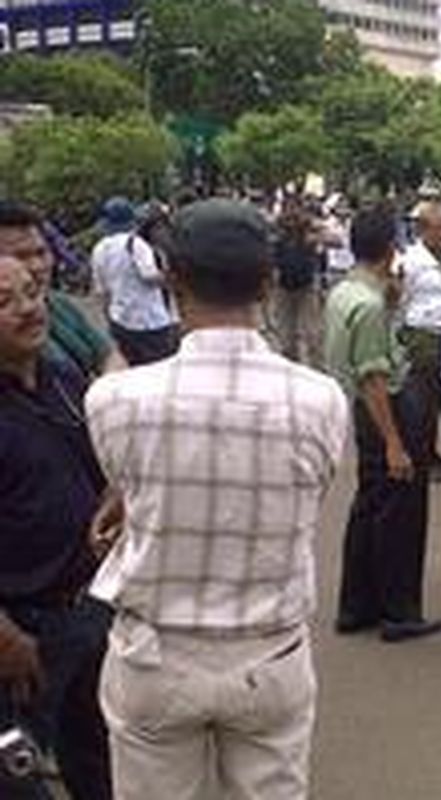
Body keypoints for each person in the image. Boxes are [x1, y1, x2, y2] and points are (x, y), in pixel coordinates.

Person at [85, 200, 348, 798]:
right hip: (270, 654)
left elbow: (130, 483)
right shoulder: (320, 398)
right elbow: (311, 491)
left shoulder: (114, 399)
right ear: (267, 279)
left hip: (154, 655)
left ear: (172, 279)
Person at [0, 256, 112, 800]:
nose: (28, 309)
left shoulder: (63, 377)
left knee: (96, 755)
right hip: (19, 633)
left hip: (87, 612)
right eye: (5, 302)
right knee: (19, 776)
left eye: (32, 292)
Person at [326, 205, 441, 642]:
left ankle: (357, 605)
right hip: (386, 407)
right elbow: (374, 377)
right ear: (391, 249)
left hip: (359, 408)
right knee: (400, 512)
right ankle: (399, 611)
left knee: (370, 505)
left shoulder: (346, 292)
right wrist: (396, 441)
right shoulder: (371, 303)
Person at [0, 201, 124, 381]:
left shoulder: (59, 304)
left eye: (41, 252)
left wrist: (106, 392)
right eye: (20, 256)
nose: (38, 265)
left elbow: (109, 355)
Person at [399, 201, 441, 484]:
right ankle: (426, 458)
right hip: (422, 338)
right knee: (423, 406)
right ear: (423, 230)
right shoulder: (409, 262)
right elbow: (400, 300)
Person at [90, 197, 178, 367]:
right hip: (150, 322)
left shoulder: (99, 248)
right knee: (159, 370)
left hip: (121, 322)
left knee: (134, 371)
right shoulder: (135, 244)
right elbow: (150, 276)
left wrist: (110, 321)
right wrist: (172, 277)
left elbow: (101, 292)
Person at [273, 202, 325, 366]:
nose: (292, 222)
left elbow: (335, 239)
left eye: (295, 218)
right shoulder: (278, 237)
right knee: (286, 338)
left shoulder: (309, 235)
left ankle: (316, 368)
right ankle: (290, 367)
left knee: (312, 335)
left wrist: (313, 231)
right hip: (284, 288)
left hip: (306, 287)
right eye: (289, 218)